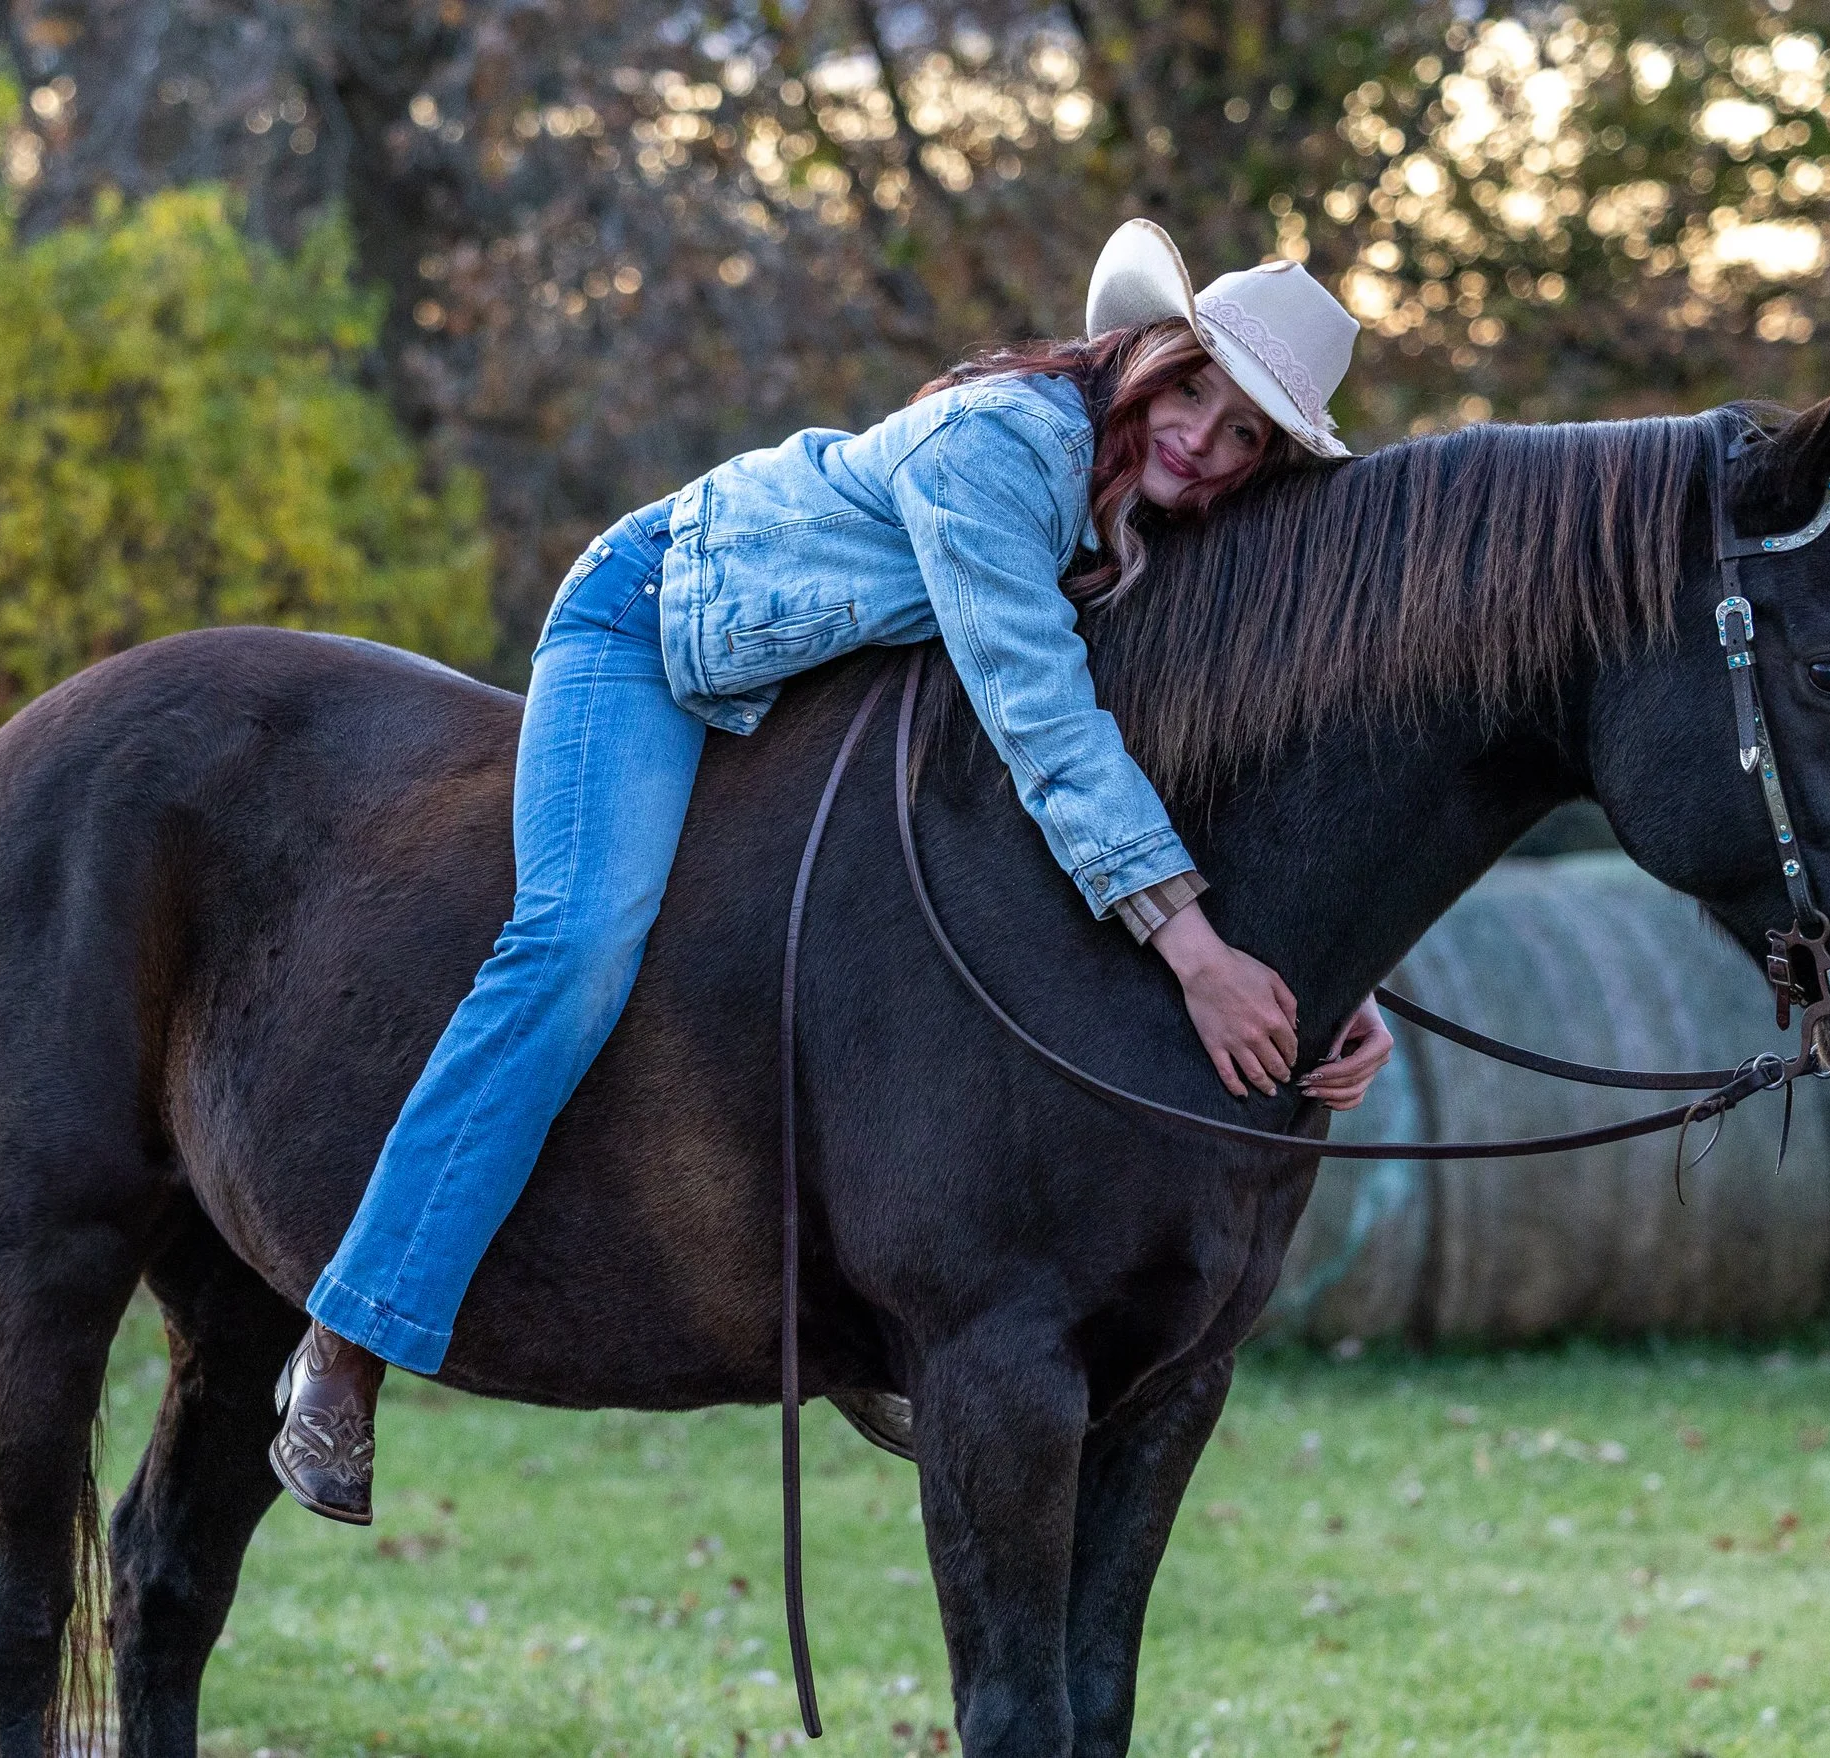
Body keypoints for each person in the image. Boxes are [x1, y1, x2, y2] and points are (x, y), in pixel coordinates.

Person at [269, 219, 1399, 1523]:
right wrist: (1195, 954)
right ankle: (350, 1333)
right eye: (1193, 388)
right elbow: (1043, 714)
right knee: (575, 946)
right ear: (1145, 353)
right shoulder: (1004, 446)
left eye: (1245, 432)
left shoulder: (1146, 523)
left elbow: (1196, 758)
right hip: (654, 625)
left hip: (816, 692)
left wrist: (1335, 980)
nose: (1202, 437)